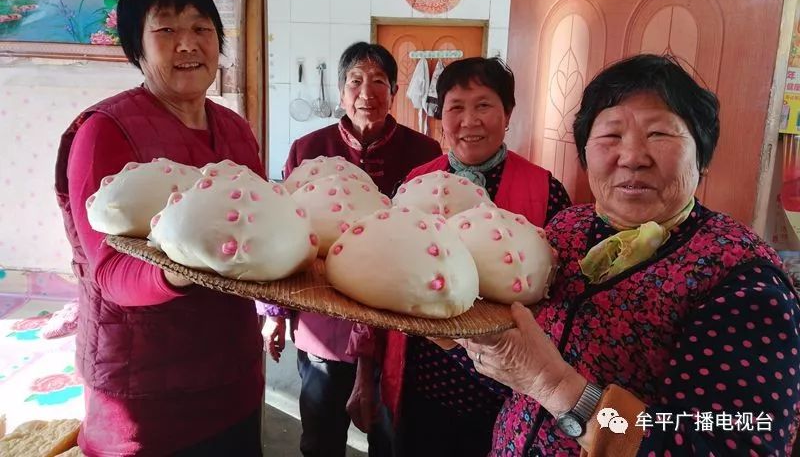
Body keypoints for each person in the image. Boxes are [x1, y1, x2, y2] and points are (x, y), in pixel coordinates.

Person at [458, 54, 800, 456]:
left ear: (702, 157)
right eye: (610, 136)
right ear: (585, 154)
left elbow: (729, 446)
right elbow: (512, 362)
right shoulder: (565, 230)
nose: (633, 156)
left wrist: (556, 387)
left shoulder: (741, 277)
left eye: (659, 134)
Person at [54, 0, 264, 455]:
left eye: (202, 28)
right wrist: (185, 263)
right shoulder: (105, 132)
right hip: (146, 394)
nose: (188, 43)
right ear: (137, 48)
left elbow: (253, 237)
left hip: (233, 375)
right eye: (166, 30)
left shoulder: (233, 128)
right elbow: (109, 271)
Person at [375, 57, 571, 457]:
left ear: (508, 113)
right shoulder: (415, 183)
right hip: (422, 376)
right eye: (456, 108)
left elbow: (561, 290)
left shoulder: (546, 189)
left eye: (483, 105)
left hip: (507, 389)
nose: (470, 120)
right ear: (440, 116)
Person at [265, 42, 442, 457]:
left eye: (380, 81)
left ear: (394, 91)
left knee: (390, 438)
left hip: (398, 323)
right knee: (321, 437)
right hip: (324, 322)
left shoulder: (424, 154)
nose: (368, 92)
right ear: (342, 92)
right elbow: (284, 233)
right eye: (356, 81)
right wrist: (274, 312)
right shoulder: (307, 150)